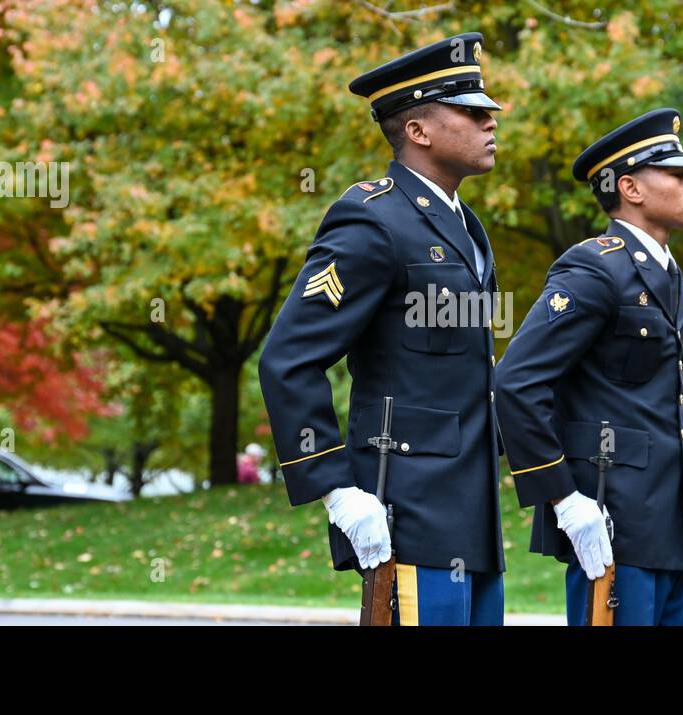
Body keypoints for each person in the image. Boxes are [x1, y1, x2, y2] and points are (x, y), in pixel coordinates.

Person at [495, 109, 683, 625]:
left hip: (665, 526)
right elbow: (516, 382)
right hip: (610, 521)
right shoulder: (595, 268)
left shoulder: (667, 273)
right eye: (676, 173)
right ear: (630, 187)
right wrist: (563, 499)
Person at [258, 33, 505, 626]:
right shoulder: (373, 218)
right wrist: (336, 488)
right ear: (418, 131)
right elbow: (288, 357)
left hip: (471, 514)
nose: (491, 121)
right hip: (408, 509)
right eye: (472, 112)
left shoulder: (465, 226)